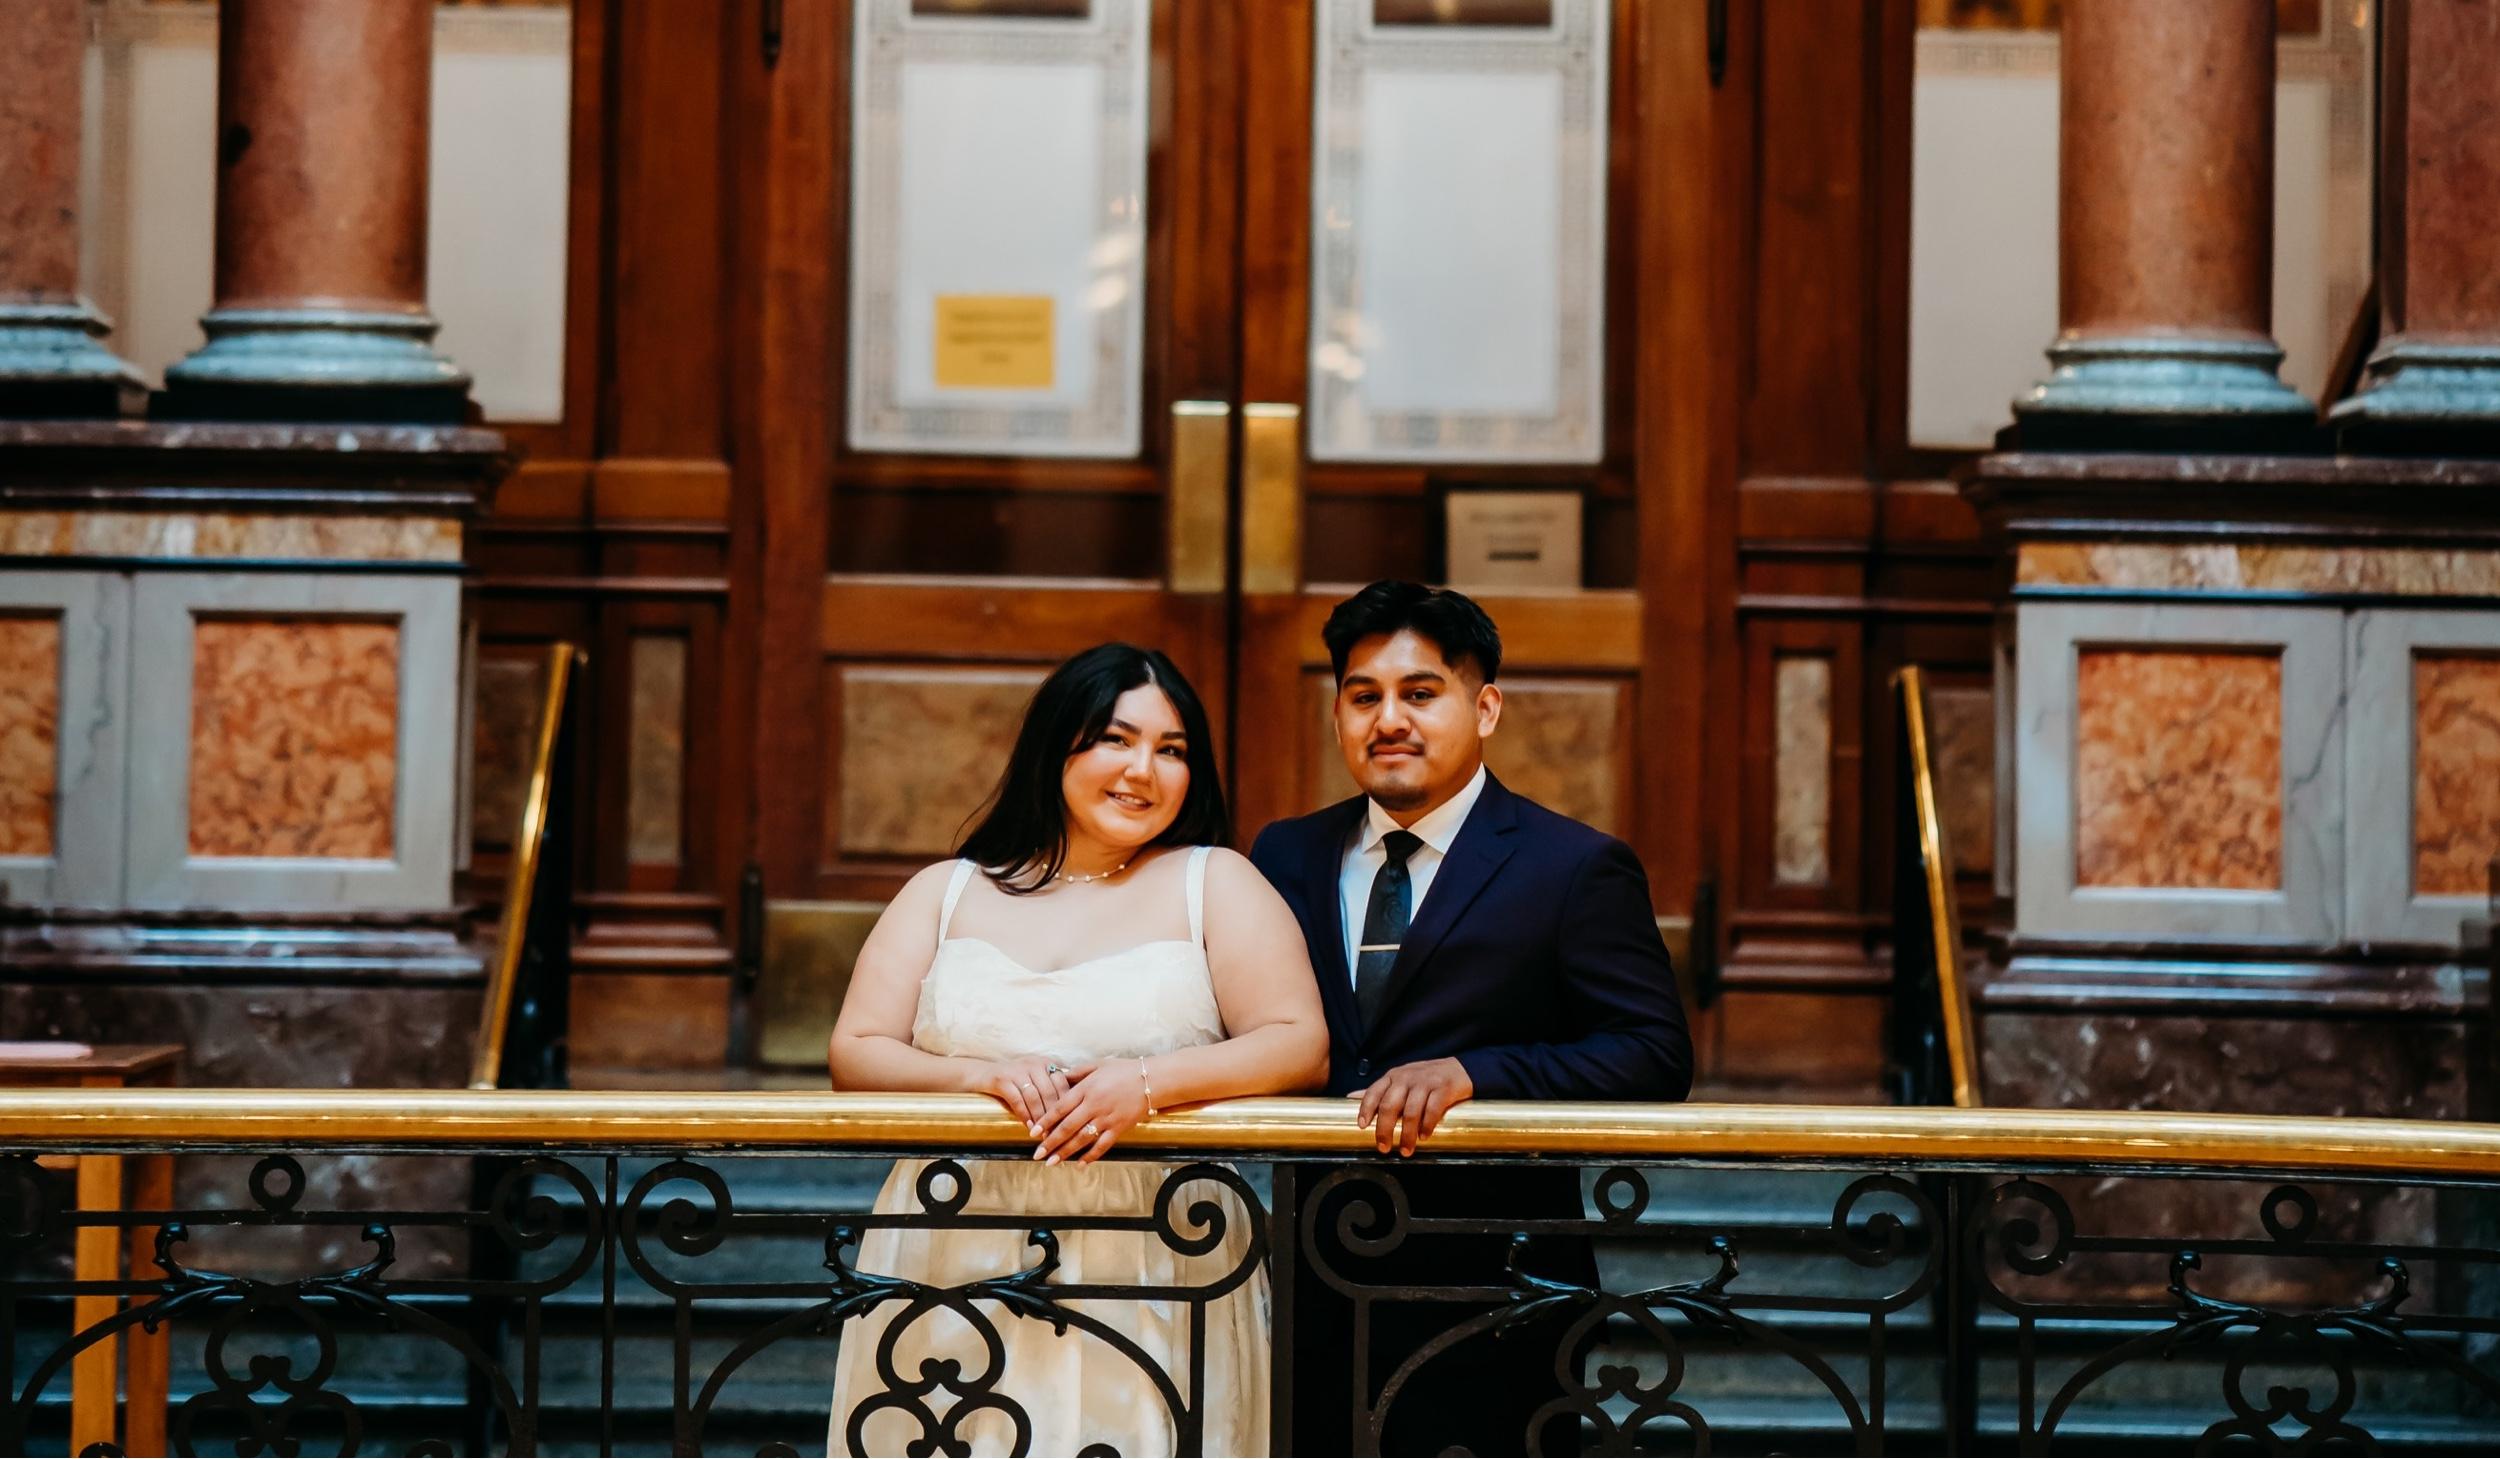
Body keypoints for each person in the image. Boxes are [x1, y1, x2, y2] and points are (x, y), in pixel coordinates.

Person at [825, 642, 1329, 1457]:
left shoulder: (1216, 882)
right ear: (1056, 745)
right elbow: (855, 1050)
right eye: (1115, 739)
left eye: (1172, 750)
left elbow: (1299, 1042)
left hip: (1156, 1243)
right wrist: (979, 1076)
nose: (1143, 770)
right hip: (954, 1229)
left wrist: (1147, 1083)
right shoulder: (946, 890)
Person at [1248, 580, 1694, 1455]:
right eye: (1363, 697)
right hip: (1311, 1278)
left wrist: (1474, 1073)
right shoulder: (1285, 852)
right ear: (1337, 715)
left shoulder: (1575, 866)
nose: (1389, 720)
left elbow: (1653, 1052)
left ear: (1485, 708)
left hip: (1500, 1287)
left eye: (1420, 693)